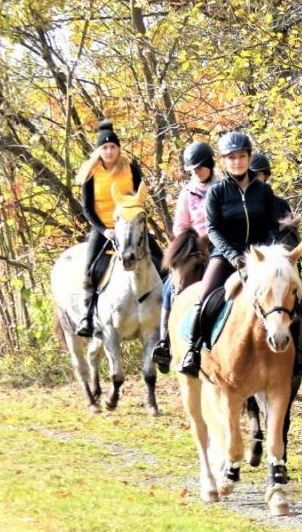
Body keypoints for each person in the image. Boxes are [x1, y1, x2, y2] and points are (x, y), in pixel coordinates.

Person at [178, 131, 290, 376]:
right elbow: (213, 229)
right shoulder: (217, 191)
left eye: (241, 156)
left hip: (261, 257)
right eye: (231, 157)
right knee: (204, 297)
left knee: (299, 293)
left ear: (249, 157)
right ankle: (192, 351)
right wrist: (232, 256)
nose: (237, 162)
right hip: (226, 255)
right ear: (223, 161)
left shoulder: (264, 191)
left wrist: (268, 253)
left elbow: (272, 226)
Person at [241, 149, 302, 376]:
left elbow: (289, 238)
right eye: (253, 177)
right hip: (250, 266)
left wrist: (281, 256)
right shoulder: (242, 205)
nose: (257, 181)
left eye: (260, 176)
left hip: (281, 269)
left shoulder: (280, 204)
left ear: (266, 177)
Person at [71, 120, 159, 337]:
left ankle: (167, 305)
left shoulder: (131, 169)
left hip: (131, 226)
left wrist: (139, 223)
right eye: (105, 147)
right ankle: (88, 315)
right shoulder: (91, 173)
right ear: (99, 150)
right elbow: (87, 208)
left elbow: (140, 199)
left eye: (112, 147)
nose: (109, 151)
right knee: (91, 268)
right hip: (105, 227)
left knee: (162, 260)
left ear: (118, 148)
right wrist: (103, 230)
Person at [152, 140, 214, 372]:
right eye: (192, 170)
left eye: (200, 168)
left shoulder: (222, 186)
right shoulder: (187, 193)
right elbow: (180, 224)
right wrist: (189, 241)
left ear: (209, 165)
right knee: (170, 285)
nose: (196, 173)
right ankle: (164, 342)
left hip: (218, 244)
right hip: (194, 246)